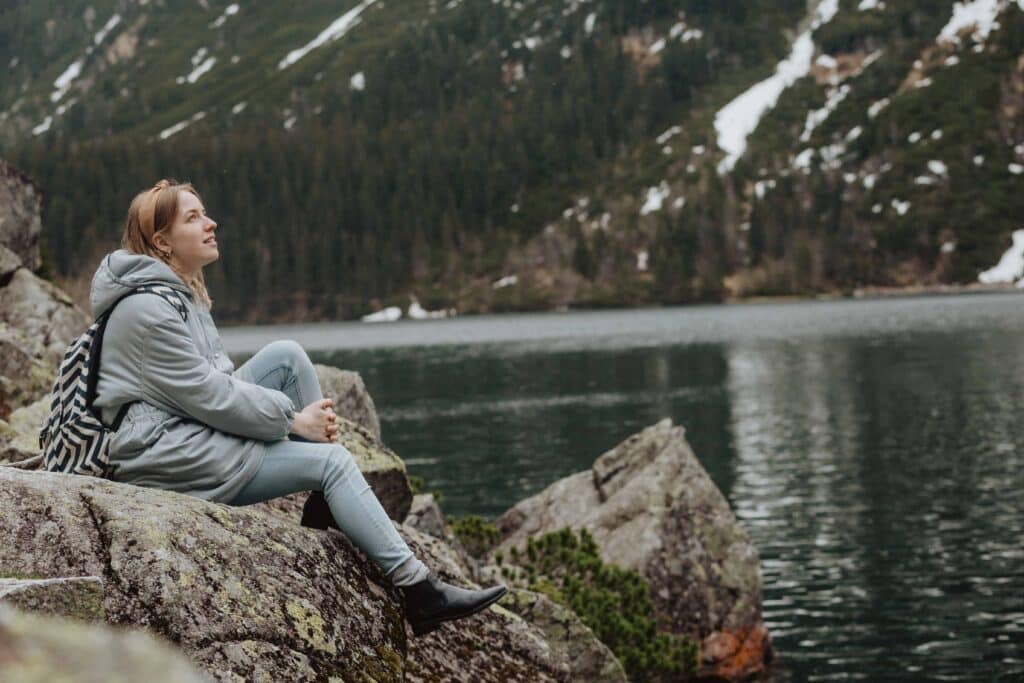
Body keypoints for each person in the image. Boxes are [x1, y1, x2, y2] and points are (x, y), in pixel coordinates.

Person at [90, 178, 505, 636]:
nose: (211, 223)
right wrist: (292, 420)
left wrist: (288, 420)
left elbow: (216, 386)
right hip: (158, 451)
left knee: (286, 355)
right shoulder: (149, 310)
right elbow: (212, 398)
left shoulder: (177, 294)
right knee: (331, 461)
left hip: (178, 426)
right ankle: (421, 591)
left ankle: (327, 501)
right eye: (194, 218)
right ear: (163, 241)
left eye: (205, 213)